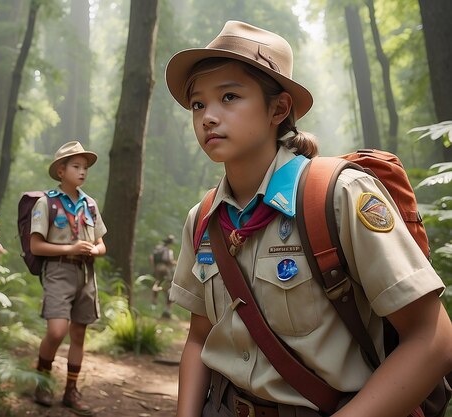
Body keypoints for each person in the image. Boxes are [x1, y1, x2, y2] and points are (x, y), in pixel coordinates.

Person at [164, 21, 452, 417]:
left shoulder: (336, 196)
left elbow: (433, 340)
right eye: (198, 104)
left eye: (229, 96)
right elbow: (199, 338)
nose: (208, 116)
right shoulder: (205, 218)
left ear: (278, 109)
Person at [29, 141, 107, 415]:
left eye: (85, 167)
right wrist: (70, 248)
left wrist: (93, 249)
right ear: (61, 171)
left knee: (78, 333)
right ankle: (42, 379)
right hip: (58, 271)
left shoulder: (90, 204)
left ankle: (71, 390)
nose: (82, 171)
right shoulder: (46, 202)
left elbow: (101, 244)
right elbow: (36, 246)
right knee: (56, 331)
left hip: (85, 272)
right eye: (76, 166)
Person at [150, 234, 177, 318]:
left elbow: (151, 258)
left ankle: (154, 303)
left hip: (157, 268)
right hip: (165, 269)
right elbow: (169, 261)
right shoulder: (168, 250)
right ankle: (167, 308)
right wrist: (176, 263)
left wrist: (154, 267)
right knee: (168, 287)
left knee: (156, 284)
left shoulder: (158, 248)